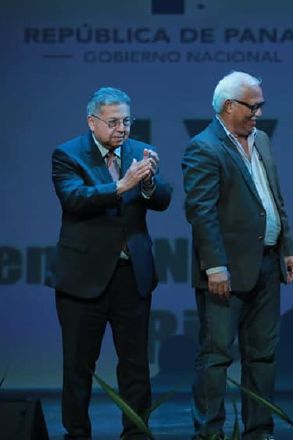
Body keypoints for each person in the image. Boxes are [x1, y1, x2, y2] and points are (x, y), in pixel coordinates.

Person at [49, 87, 172, 439]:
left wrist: (147, 182)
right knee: (78, 366)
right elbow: (74, 199)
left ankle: (136, 433)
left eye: (127, 121)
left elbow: (162, 199)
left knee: (135, 365)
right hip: (82, 278)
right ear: (93, 122)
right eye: (114, 121)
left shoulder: (138, 151)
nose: (122, 129)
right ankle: (77, 433)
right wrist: (122, 185)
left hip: (131, 275)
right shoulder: (68, 154)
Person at [182, 71, 293, 440]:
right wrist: (215, 266)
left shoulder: (260, 140)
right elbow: (202, 213)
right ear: (229, 106)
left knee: (263, 355)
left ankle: (259, 432)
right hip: (226, 272)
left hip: (267, 265)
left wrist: (287, 248)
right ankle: (210, 433)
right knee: (216, 356)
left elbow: (273, 200)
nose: (259, 113)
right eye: (254, 106)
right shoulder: (204, 147)